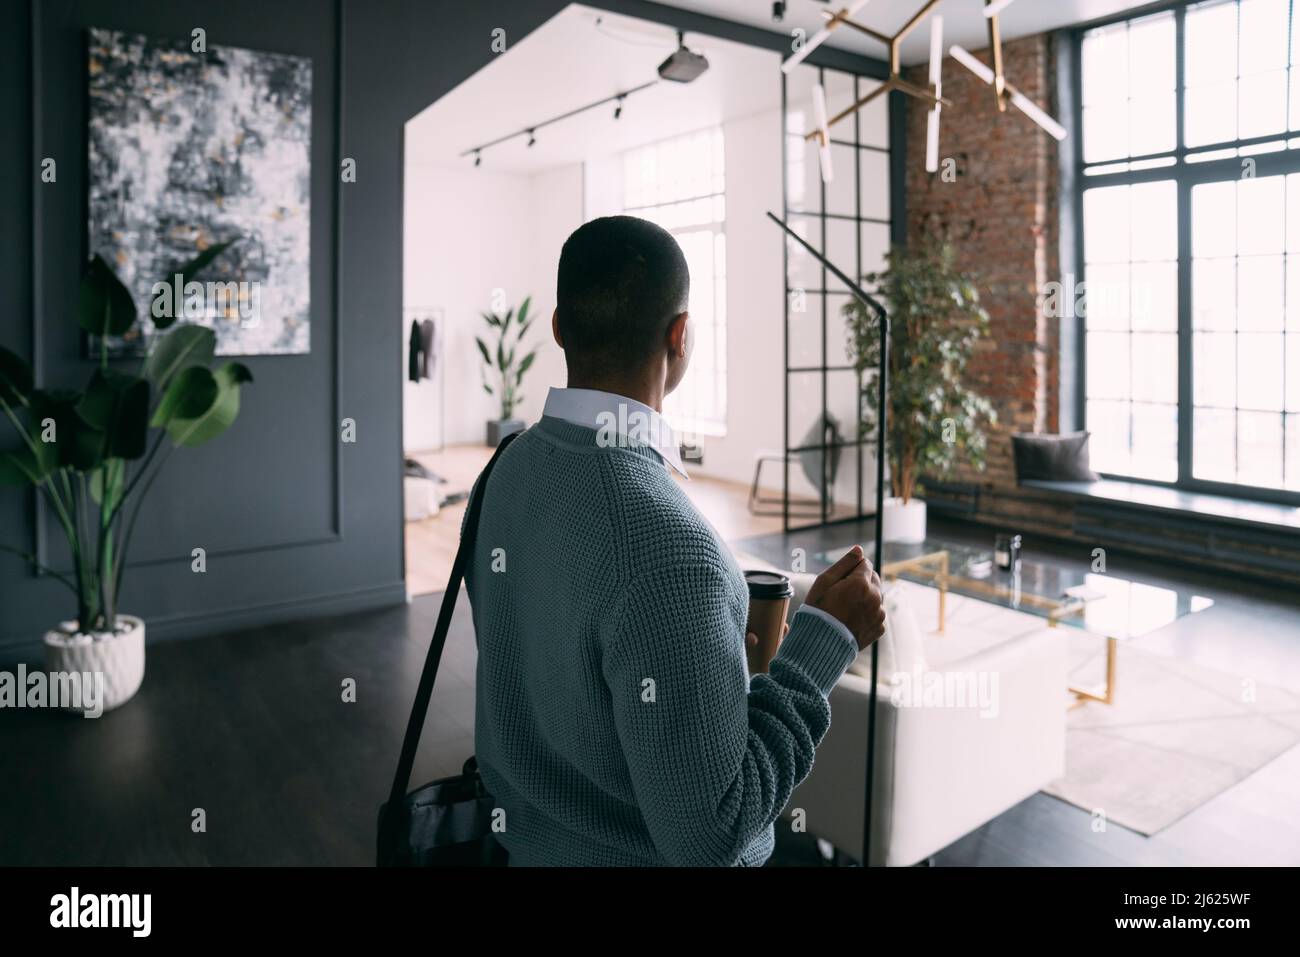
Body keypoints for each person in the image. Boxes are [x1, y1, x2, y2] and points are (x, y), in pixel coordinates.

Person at [465, 215, 886, 866]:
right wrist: (822, 645)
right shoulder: (671, 551)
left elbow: (555, 664)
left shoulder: (505, 469)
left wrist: (702, 662)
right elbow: (712, 836)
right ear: (681, 335)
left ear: (557, 327)